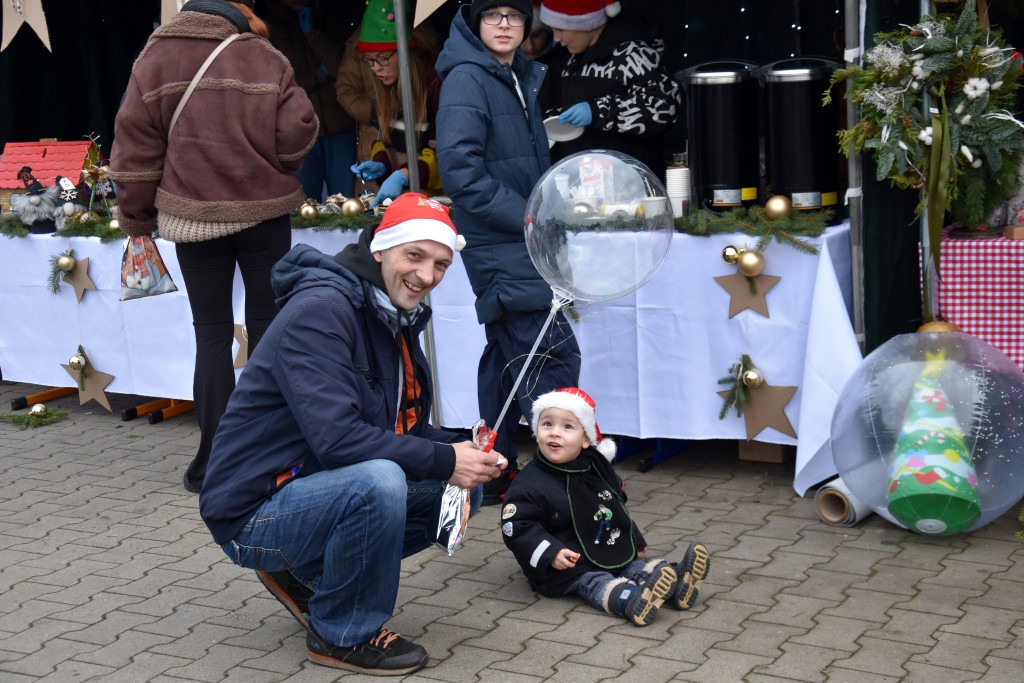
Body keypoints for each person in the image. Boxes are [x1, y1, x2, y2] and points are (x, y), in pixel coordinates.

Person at [198, 193, 507, 675]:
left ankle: (312, 576)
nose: (428, 276)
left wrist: (462, 449)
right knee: (379, 482)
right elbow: (340, 440)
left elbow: (398, 426)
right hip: (252, 510)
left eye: (442, 264)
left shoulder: (386, 310)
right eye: (416, 256)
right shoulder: (323, 310)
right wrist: (446, 460)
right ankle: (341, 633)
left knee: (462, 489)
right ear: (381, 250)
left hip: (312, 483)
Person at [109, 0, 318, 494]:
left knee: (211, 336)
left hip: (191, 216)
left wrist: (138, 218)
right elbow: (297, 135)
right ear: (236, 14)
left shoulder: (153, 59)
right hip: (266, 213)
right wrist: (263, 156)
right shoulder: (263, 55)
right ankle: (273, 456)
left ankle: (213, 463)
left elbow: (134, 147)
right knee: (270, 331)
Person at [436, 0, 581, 505]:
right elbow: (461, 174)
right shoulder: (467, 79)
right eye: (493, 15)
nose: (504, 24)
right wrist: (531, 215)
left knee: (506, 357)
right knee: (552, 357)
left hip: (520, 239)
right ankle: (564, 480)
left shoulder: (512, 74)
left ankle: (492, 468)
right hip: (504, 242)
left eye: (514, 16)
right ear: (474, 23)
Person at [501, 387, 712, 626]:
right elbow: (518, 526)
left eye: (567, 427)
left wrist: (634, 538)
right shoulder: (530, 482)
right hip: (567, 563)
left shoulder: (594, 468)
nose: (555, 433)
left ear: (586, 440)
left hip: (602, 544)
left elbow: (615, 505)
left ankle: (675, 581)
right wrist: (550, 552)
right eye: (547, 424)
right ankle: (629, 600)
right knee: (594, 580)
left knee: (632, 565)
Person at [539, 0, 681, 177]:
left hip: (630, 182)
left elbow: (664, 107)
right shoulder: (571, 58)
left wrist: (599, 110)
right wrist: (555, 120)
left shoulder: (632, 53)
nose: (556, 39)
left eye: (560, 29)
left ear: (585, 23)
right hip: (587, 181)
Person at [337, 0, 443, 207]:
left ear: (404, 53)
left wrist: (403, 175)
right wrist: (381, 164)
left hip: (436, 204)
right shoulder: (383, 90)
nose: (376, 68)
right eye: (369, 60)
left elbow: (445, 155)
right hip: (405, 203)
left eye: (383, 58)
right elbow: (383, 140)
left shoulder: (435, 86)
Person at [265, 0, 365, 200]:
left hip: (340, 126)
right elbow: (278, 83)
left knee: (348, 204)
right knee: (304, 206)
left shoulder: (331, 16)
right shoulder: (270, 27)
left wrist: (313, 35)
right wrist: (317, 76)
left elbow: (344, 69)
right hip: (299, 131)